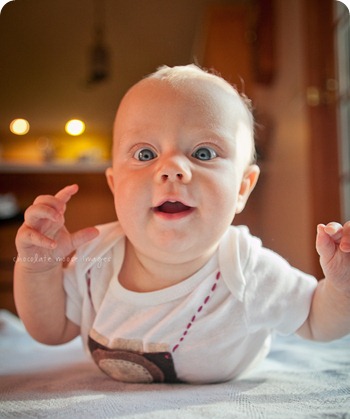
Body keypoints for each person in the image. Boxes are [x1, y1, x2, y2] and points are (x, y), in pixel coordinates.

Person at [14, 64, 350, 384]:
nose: (171, 169)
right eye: (145, 154)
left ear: (242, 188)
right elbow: (51, 331)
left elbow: (315, 321)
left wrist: (342, 287)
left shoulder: (246, 267)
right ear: (115, 186)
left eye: (203, 153)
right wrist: (38, 267)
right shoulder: (95, 257)